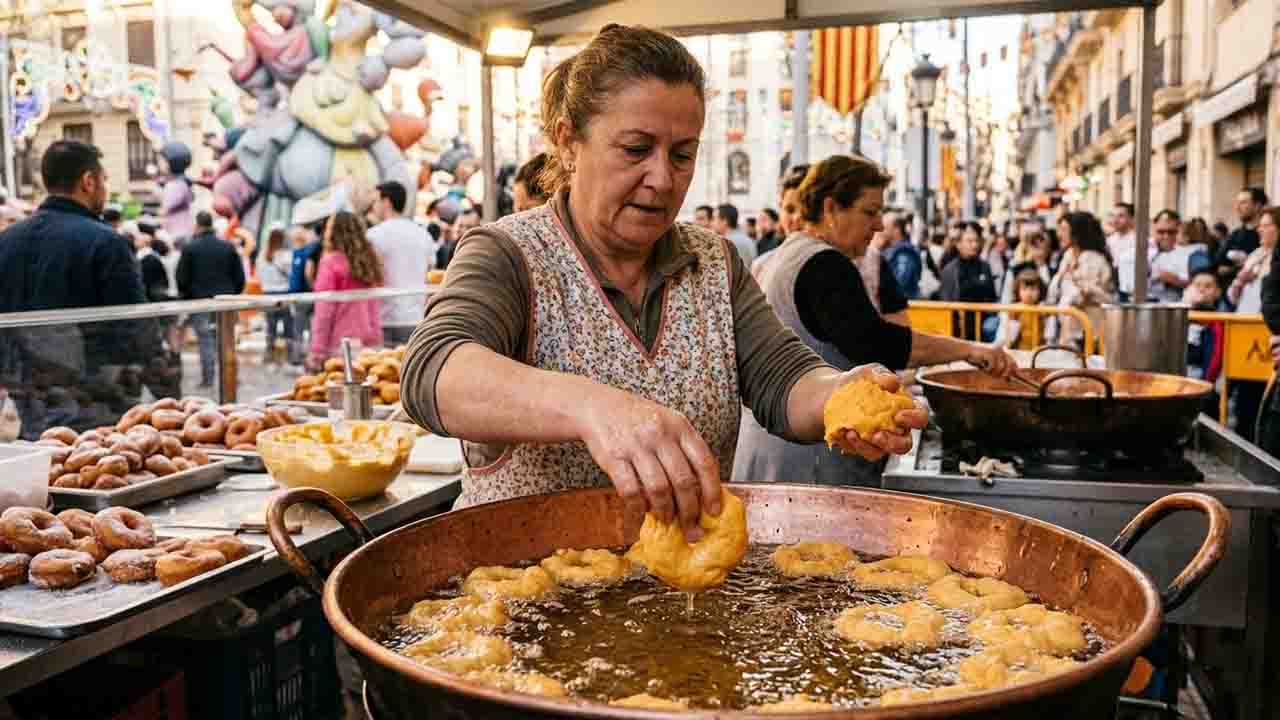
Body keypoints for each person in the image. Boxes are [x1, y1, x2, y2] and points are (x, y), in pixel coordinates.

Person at [401, 26, 931, 527]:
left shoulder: (713, 262)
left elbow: (782, 378)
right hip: (517, 580)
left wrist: (838, 393)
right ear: (568, 142)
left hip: (678, 585)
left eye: (682, 155)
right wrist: (593, 407)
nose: (662, 178)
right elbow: (433, 371)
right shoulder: (509, 253)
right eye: (636, 150)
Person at [733, 154, 1013, 487]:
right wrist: (970, 350)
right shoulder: (824, 264)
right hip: (808, 467)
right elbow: (879, 342)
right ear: (831, 208)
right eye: (869, 212)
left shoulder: (783, 255)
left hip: (771, 455)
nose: (879, 225)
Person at [177, 211, 247, 387]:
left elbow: (182, 278)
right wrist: (233, 295)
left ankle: (208, 379)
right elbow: (240, 277)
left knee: (205, 340)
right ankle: (230, 377)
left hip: (200, 301)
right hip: (225, 301)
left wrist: (188, 296)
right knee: (226, 340)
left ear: (197, 225)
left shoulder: (190, 248)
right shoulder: (228, 247)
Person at [307, 211, 384, 368]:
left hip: (339, 343)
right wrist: (376, 339)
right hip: (369, 341)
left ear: (333, 232)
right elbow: (375, 305)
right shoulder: (369, 260)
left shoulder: (330, 262)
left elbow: (324, 311)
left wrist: (317, 350)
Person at [368, 180, 434, 345]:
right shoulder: (423, 234)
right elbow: (430, 272)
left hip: (385, 317)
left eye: (375, 201)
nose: (373, 206)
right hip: (416, 316)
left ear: (386, 202)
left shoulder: (374, 235)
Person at [1048, 211, 1116, 352]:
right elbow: (1055, 291)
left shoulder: (1093, 259)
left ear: (1077, 233)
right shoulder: (1068, 255)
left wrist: (1073, 279)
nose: (1059, 234)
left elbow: (1082, 295)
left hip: (1089, 331)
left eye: (1064, 229)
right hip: (1067, 327)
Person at [940, 222, 999, 341]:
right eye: (969, 241)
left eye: (976, 241)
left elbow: (991, 295)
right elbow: (947, 300)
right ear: (958, 244)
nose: (974, 245)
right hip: (958, 330)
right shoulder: (950, 269)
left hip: (982, 328)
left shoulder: (984, 266)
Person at [255, 223, 294, 365]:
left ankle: (269, 354)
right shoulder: (286, 255)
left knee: (270, 327)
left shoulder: (262, 255)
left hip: (268, 294)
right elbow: (291, 275)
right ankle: (290, 355)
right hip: (284, 293)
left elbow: (259, 275)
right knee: (288, 327)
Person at [1218, 188, 1267, 284]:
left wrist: (1233, 268)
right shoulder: (1235, 234)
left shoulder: (1267, 234)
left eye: (1243, 203)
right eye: (1237, 203)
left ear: (1257, 206)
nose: (1237, 207)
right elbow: (1219, 265)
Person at [995, 264, 1049, 350]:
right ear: (1018, 290)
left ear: (1040, 291)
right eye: (1024, 289)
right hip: (1020, 350)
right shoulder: (1015, 310)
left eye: (1033, 289)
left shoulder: (1044, 309)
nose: (1029, 293)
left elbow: (1048, 335)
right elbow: (1010, 338)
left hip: (1039, 351)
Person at [1149, 210, 1194, 303]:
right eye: (1161, 232)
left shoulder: (1188, 254)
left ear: (1178, 231)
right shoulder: (1143, 250)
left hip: (1173, 303)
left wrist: (1175, 280)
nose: (1166, 236)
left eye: (1171, 232)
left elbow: (1194, 284)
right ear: (1153, 229)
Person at [1106, 202, 1145, 302]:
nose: (1115, 220)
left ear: (1131, 218)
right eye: (1113, 216)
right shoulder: (1109, 240)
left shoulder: (1137, 240)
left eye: (1121, 216)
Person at [882, 210, 922, 300]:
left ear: (897, 229)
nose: (880, 230)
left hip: (903, 304)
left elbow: (900, 282)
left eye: (884, 227)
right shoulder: (889, 250)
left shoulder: (904, 253)